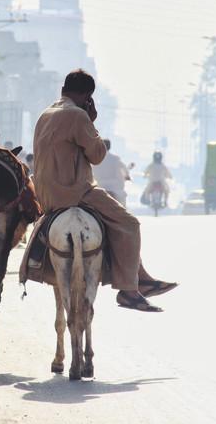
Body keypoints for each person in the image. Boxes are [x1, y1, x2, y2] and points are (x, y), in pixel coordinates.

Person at [23, 69, 176, 312]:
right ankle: (128, 290)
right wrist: (91, 121)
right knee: (128, 223)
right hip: (75, 192)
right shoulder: (77, 116)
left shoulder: (45, 114)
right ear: (87, 96)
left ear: (64, 89)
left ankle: (141, 276)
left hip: (46, 195)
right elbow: (97, 155)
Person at [92, 139, 130, 205]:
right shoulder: (115, 158)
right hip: (114, 187)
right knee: (122, 204)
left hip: (98, 185)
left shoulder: (94, 158)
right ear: (110, 147)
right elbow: (124, 168)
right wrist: (127, 176)